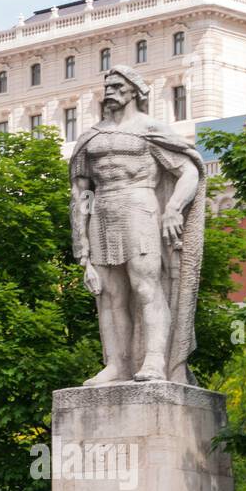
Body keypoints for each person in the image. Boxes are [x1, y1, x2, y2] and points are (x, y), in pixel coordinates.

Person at [69, 65, 206, 386]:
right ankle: (117, 363)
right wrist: (82, 252)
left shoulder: (150, 129)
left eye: (117, 85)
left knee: (146, 286)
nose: (110, 91)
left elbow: (189, 171)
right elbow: (81, 194)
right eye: (107, 86)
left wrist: (173, 208)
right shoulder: (91, 137)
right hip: (101, 211)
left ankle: (156, 361)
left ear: (134, 90)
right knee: (110, 294)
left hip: (140, 207)